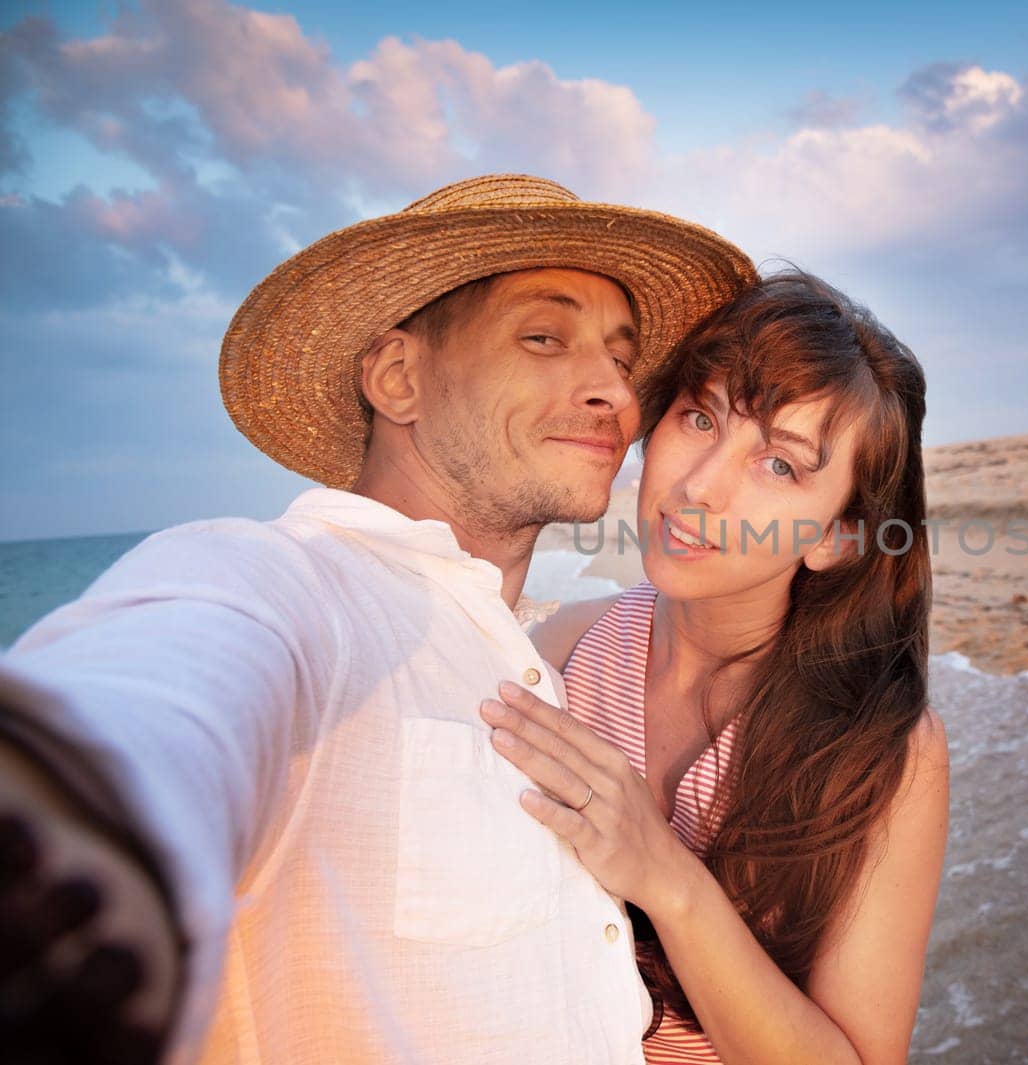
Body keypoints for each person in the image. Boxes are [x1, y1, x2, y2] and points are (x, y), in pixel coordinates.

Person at [0, 173, 755, 1064]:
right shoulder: (287, 583)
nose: (616, 395)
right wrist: (68, 848)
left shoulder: (520, 653)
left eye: (623, 361)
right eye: (544, 338)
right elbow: (160, 695)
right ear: (399, 378)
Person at [477, 272, 950, 1064]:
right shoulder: (562, 652)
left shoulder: (881, 753)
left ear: (837, 536)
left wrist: (666, 876)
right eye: (700, 418)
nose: (698, 487)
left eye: (780, 466)